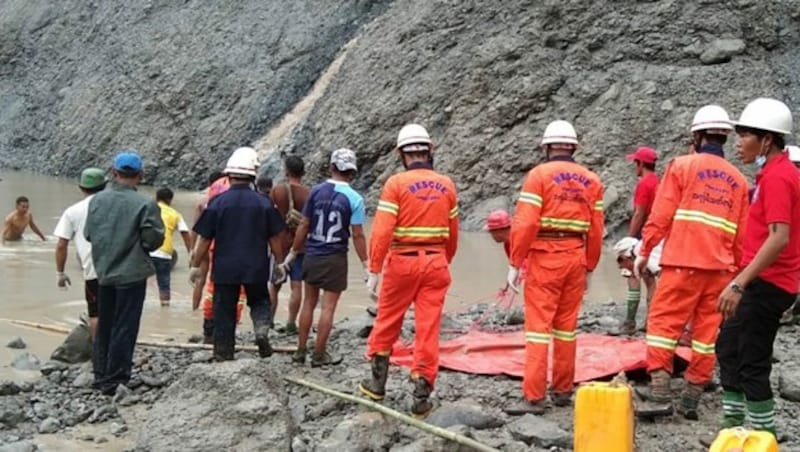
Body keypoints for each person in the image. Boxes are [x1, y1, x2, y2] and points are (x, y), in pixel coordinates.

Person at [634, 104, 749, 421]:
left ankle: (660, 392)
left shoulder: (681, 166)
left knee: (662, 325)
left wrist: (645, 250)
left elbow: (661, 213)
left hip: (682, 263)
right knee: (706, 334)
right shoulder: (739, 180)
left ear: (697, 136)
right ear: (724, 137)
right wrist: (736, 276)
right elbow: (741, 236)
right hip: (721, 270)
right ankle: (691, 399)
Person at [503, 120, 604, 415]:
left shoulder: (539, 176)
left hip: (545, 257)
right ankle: (562, 389)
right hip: (575, 256)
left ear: (547, 147)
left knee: (537, 329)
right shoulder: (592, 179)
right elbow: (597, 230)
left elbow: (526, 223)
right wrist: (590, 266)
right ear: (573, 147)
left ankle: (534, 396)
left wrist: (514, 262)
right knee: (566, 328)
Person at [359, 124, 459, 418]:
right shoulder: (447, 185)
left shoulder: (396, 184)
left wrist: (374, 269)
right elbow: (452, 235)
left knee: (388, 320)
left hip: (402, 260)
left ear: (402, 154)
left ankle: (376, 384)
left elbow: (382, 231)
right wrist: (443, 260)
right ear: (429, 151)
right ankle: (421, 396)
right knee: (428, 328)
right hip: (436, 261)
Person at [715, 98, 798, 438]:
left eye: (745, 134)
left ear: (767, 140)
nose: (738, 143)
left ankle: (763, 438)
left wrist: (739, 284)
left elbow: (779, 237)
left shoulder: (780, 177)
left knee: (752, 358)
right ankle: (732, 430)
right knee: (728, 347)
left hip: (768, 282)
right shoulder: (771, 175)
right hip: (759, 280)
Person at [190, 147, 286, 361]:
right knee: (259, 301)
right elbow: (275, 237)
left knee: (223, 310)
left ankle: (224, 353)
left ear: (229, 175)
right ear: (254, 174)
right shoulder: (264, 203)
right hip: (256, 265)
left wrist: (196, 265)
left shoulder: (217, 203)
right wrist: (279, 263)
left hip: (224, 267)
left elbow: (205, 238)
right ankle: (261, 330)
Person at [84, 151, 165, 395]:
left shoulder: (97, 201)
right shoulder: (145, 204)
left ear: (114, 173)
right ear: (140, 175)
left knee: (106, 322)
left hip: (104, 273)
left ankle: (100, 374)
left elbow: (89, 234)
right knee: (125, 325)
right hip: (131, 275)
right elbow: (154, 240)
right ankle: (116, 378)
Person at [282, 149, 368, 366]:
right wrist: (367, 264)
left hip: (312, 253)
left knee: (309, 303)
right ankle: (319, 354)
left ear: (331, 167)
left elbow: (304, 224)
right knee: (328, 307)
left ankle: (300, 351)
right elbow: (357, 234)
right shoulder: (355, 199)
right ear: (352, 172)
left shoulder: (317, 191)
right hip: (335, 258)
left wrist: (293, 252)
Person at [53, 168, 108, 341]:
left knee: (95, 313)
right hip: (120, 268)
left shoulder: (72, 211)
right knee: (118, 311)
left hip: (93, 270)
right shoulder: (115, 206)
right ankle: (118, 353)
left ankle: (99, 355)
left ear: (81, 188)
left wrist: (60, 273)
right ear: (105, 185)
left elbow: (62, 245)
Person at [270, 156, 310, 334]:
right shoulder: (308, 194)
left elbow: (269, 214)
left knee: (274, 285)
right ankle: (291, 323)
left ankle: (269, 321)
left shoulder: (277, 190)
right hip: (300, 245)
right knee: (297, 285)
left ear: (286, 171)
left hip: (279, 243)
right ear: (302, 172)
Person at [621, 146, 659, 335]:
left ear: (641, 163)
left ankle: (629, 321)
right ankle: (650, 322)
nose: (634, 166)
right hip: (656, 235)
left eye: (635, 162)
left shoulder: (644, 184)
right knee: (650, 278)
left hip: (645, 234)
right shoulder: (658, 182)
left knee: (628, 267)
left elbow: (639, 212)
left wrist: (630, 238)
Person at [149, 188, 193, 306]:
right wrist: (191, 255)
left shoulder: (147, 209)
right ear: (169, 200)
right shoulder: (175, 214)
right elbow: (185, 235)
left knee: (139, 283)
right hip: (165, 252)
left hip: (146, 251)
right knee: (164, 283)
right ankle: (164, 308)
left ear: (156, 198)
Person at [190, 171, 225, 311]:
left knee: (200, 279)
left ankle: (195, 310)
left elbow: (195, 228)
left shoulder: (202, 202)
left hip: (203, 244)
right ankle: (214, 309)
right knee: (217, 280)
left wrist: (192, 248)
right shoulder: (224, 201)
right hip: (219, 244)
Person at [484, 209, 525, 290]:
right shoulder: (507, 243)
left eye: (491, 232)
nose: (491, 236)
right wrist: (507, 285)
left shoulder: (520, 239)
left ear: (499, 231)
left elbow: (525, 267)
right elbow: (514, 266)